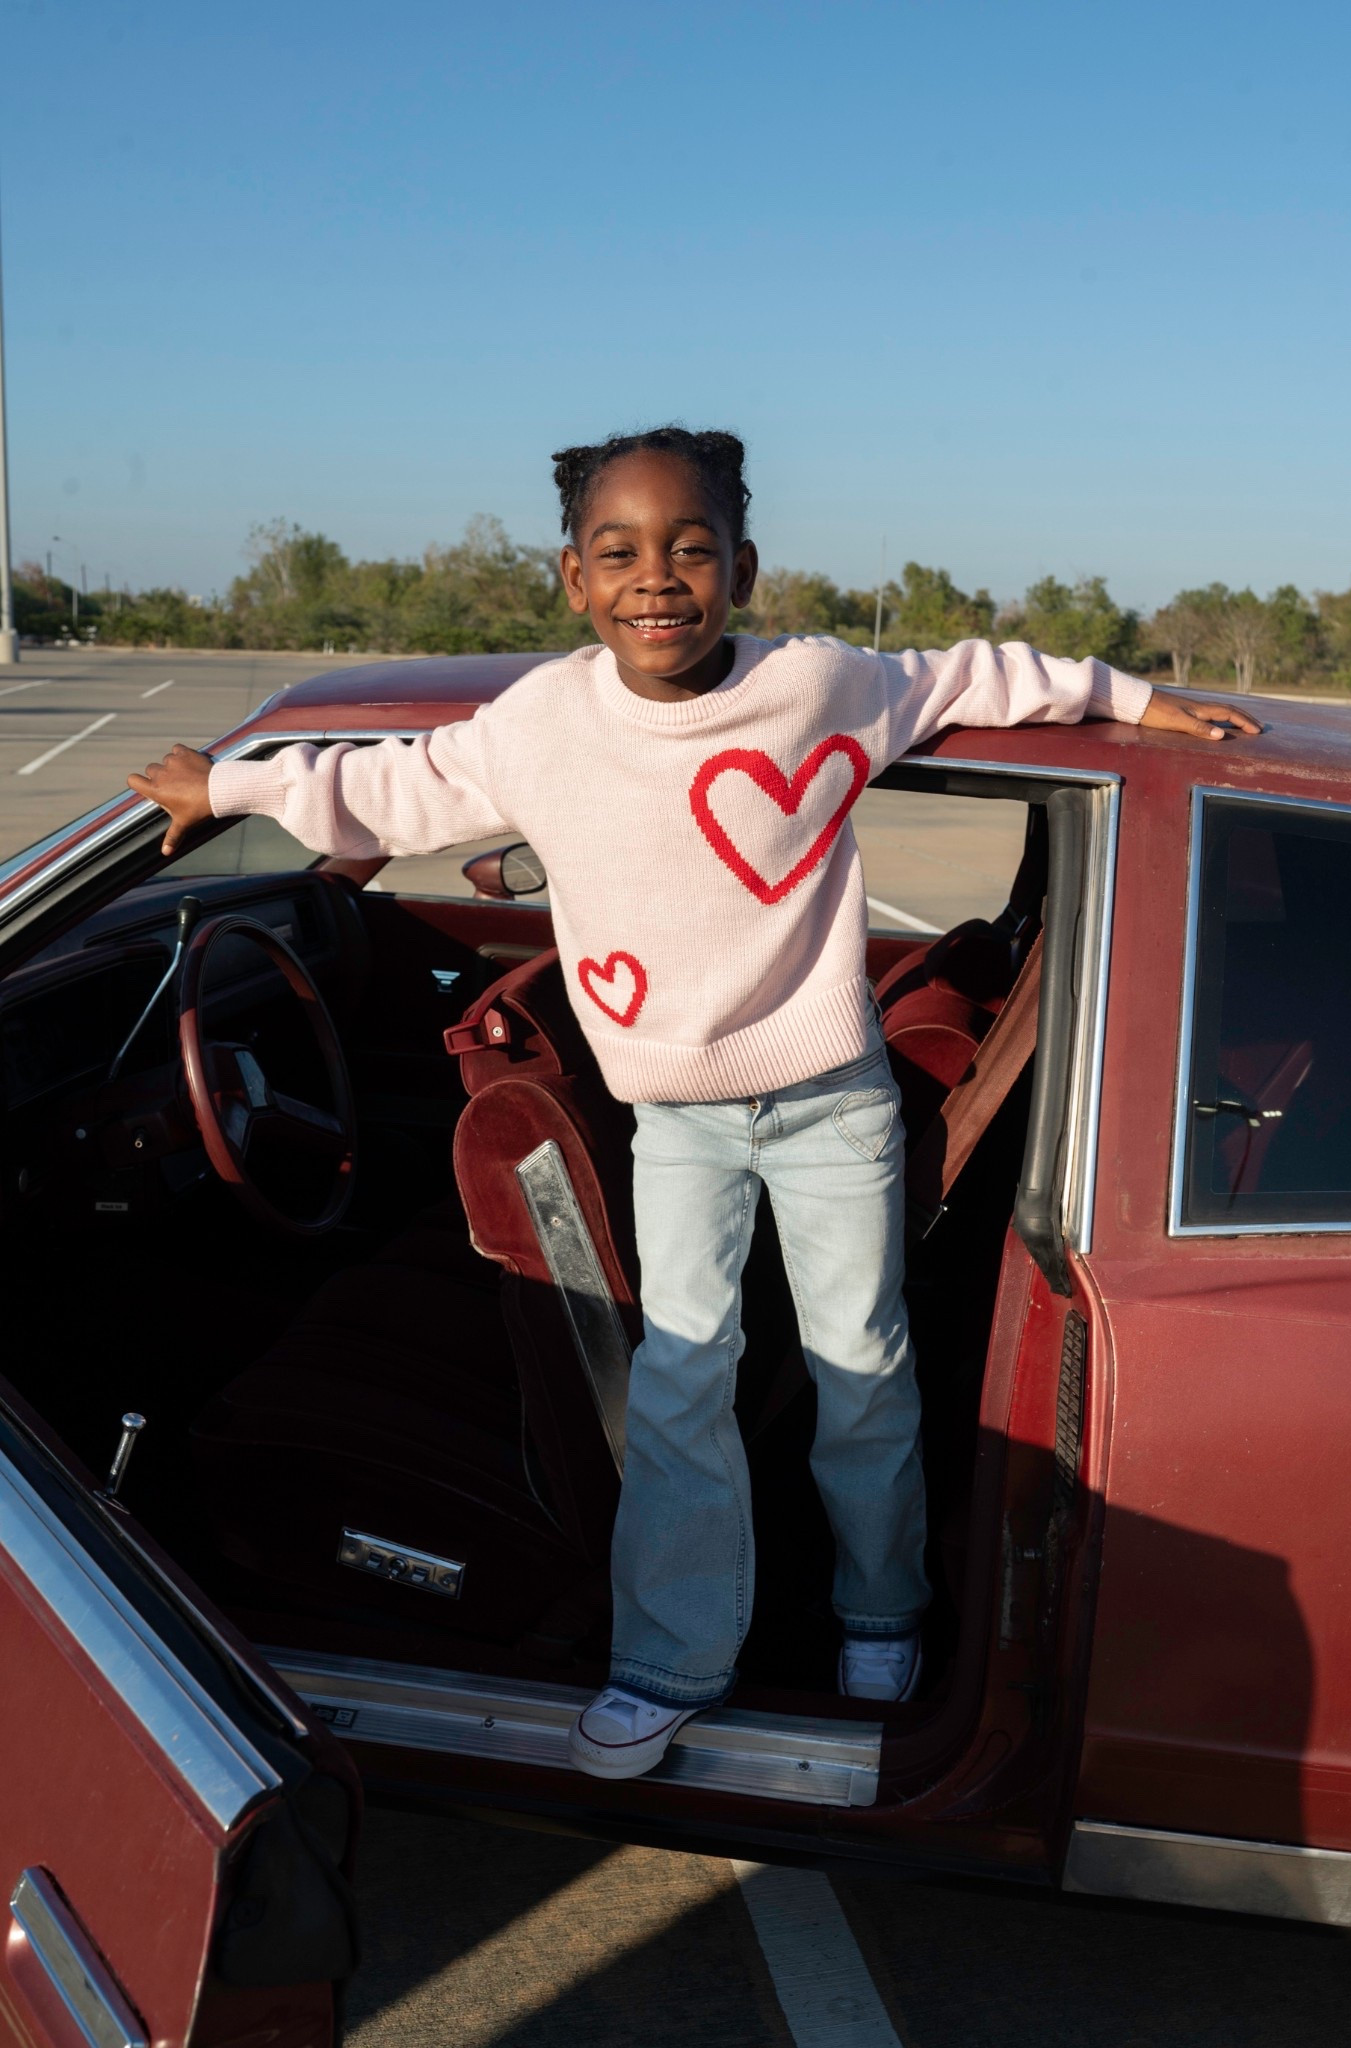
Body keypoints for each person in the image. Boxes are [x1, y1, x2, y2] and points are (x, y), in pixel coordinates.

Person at [131, 426, 1260, 1780]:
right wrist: (231, 784)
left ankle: (881, 1617)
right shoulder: (545, 724)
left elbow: (969, 672)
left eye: (690, 547)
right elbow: (396, 786)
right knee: (680, 1382)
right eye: (618, 552)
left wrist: (1136, 702)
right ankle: (671, 1661)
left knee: (862, 1370)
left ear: (743, 566)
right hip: (678, 1123)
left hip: (833, 1104)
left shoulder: (818, 685)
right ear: (573, 578)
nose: (655, 578)